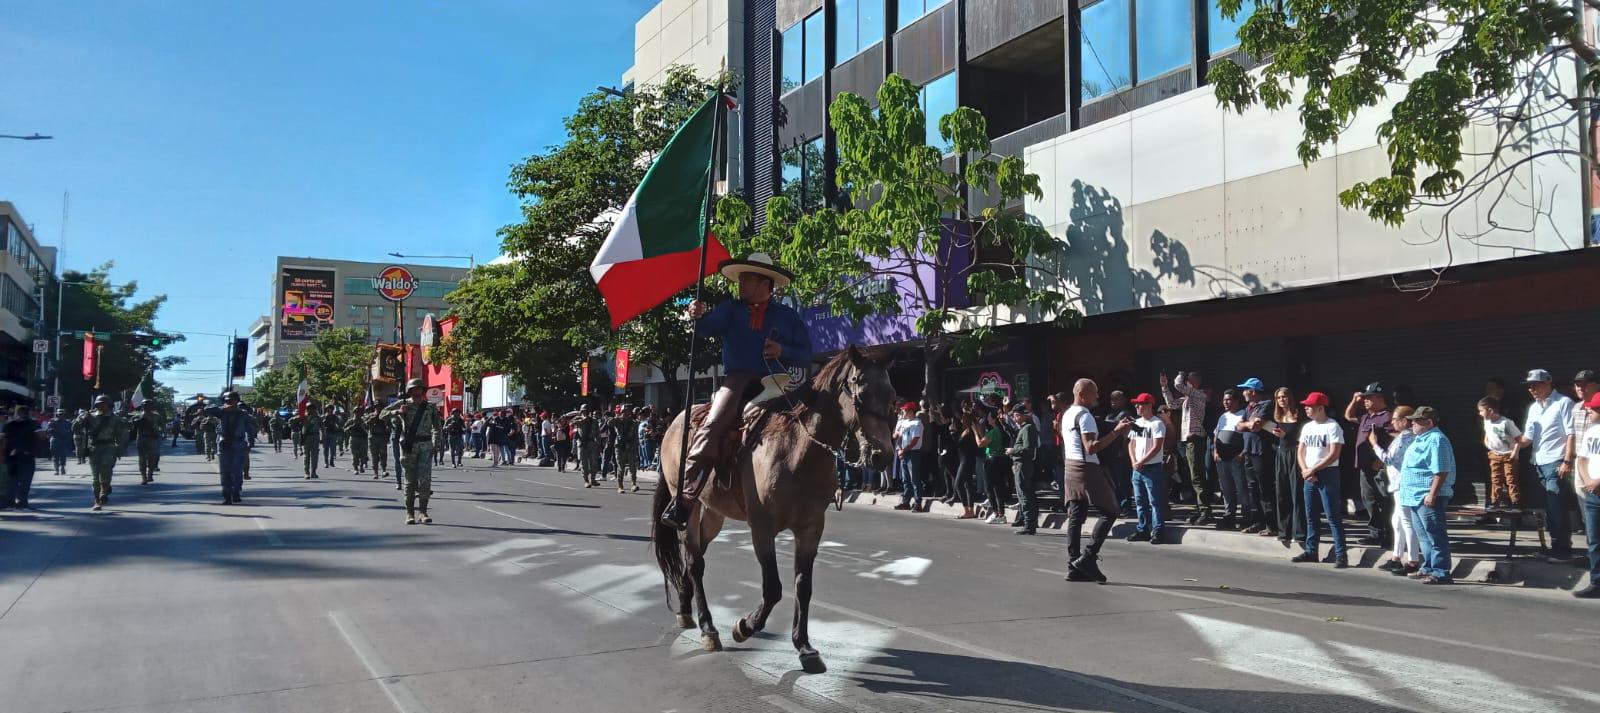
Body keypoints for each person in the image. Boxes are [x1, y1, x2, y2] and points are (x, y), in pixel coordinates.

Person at [659, 252, 812, 530]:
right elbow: (706, 328)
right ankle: (686, 497)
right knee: (713, 426)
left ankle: (818, 487)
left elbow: (805, 354)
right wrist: (696, 315)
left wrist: (783, 350)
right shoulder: (731, 309)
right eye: (741, 279)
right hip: (738, 382)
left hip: (777, 382)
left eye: (747, 279)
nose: (740, 284)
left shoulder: (787, 316)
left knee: (812, 422)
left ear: (764, 283)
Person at [1062, 379, 1133, 583]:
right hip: (1086, 468)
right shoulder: (1085, 416)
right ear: (1082, 395)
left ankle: (1073, 565)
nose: (1098, 397)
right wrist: (1116, 432)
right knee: (1111, 510)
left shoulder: (1068, 414)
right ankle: (1088, 557)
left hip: (1070, 466)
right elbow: (1091, 447)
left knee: (1076, 515)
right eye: (1094, 393)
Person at [1519, 368, 1576, 562]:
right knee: (1548, 508)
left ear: (1548, 384)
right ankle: (1555, 546)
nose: (1531, 389)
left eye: (1535, 385)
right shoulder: (1533, 408)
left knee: (1557, 506)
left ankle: (1564, 550)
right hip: (1538, 462)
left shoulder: (1563, 403)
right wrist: (1508, 440)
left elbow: (1571, 434)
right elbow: (1527, 438)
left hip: (1556, 461)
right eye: (1529, 386)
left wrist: (1567, 460)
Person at [1398, 406, 1457, 584]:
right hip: (1414, 496)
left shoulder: (1437, 439)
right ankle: (1428, 568)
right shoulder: (1419, 439)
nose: (1412, 424)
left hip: (1427, 495)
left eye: (1417, 421)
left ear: (1429, 422)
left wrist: (1432, 494)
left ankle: (1441, 572)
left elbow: (1441, 470)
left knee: (1435, 535)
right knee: (1423, 536)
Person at [1293, 392, 1348, 568]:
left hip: (1327, 473)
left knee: (1332, 515)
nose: (1306, 409)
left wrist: (1314, 469)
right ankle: (1311, 551)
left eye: (1310, 406)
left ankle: (1341, 554)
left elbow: (1334, 454)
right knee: (1311, 515)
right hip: (1309, 475)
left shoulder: (1333, 426)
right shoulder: (1307, 427)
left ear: (1321, 408)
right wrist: (1305, 470)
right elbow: (1301, 451)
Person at [383, 378, 446, 525]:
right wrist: (398, 412)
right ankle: (409, 513)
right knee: (410, 481)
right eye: (414, 389)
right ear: (410, 391)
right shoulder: (403, 404)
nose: (417, 391)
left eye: (419, 388)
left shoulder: (429, 407)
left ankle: (423, 512)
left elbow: (437, 427)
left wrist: (436, 443)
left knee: (425, 481)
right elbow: (382, 414)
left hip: (425, 446)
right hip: (409, 446)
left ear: (423, 390)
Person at [1344, 382, 1395, 548]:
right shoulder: (1366, 417)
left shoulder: (1388, 417)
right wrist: (1354, 401)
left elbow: (1396, 440)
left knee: (1385, 501)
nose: (1365, 401)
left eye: (1369, 398)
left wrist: (1381, 460)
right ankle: (1375, 533)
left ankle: (1389, 535)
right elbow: (1348, 416)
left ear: (1380, 398)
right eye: (1364, 398)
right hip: (1364, 467)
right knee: (1369, 500)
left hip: (1380, 467)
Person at [1161, 371, 1214, 524]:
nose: (1186, 384)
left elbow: (1178, 385)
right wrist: (1164, 387)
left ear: (1193, 382)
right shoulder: (1187, 399)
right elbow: (1171, 404)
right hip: (1188, 441)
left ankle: (1205, 510)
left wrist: (1180, 375)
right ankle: (1200, 508)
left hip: (1195, 440)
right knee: (1193, 476)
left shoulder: (1199, 395)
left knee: (1197, 476)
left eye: (1188, 382)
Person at [1374, 406, 1420, 575]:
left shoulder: (1405, 438)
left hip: (1402, 483)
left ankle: (1413, 560)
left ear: (1404, 420)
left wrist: (1374, 444)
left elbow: (1388, 458)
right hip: (1399, 483)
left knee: (1406, 521)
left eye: (1394, 419)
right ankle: (1396, 557)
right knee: (1397, 521)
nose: (1392, 422)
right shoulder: (1406, 437)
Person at [1125, 393, 1169, 544]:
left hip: (1152, 468)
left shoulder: (1157, 424)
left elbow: (1157, 447)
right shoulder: (1137, 423)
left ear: (1149, 405)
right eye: (1136, 404)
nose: (1137, 407)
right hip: (1137, 468)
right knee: (1139, 501)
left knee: (1154, 501)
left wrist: (1141, 461)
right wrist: (1134, 461)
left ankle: (1158, 531)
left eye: (1140, 404)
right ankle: (1142, 529)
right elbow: (1131, 444)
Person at [1237, 378, 1277, 536]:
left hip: (1262, 452)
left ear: (1253, 391)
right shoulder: (1249, 408)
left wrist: (1248, 424)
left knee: (1265, 488)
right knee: (1252, 488)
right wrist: (1248, 424)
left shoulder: (1266, 404)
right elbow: (1238, 426)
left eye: (1245, 390)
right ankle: (1257, 521)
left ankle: (1271, 524)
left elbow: (1256, 427)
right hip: (1249, 451)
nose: (1243, 393)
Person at [1572, 391, 1600, 598]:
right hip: (1592, 494)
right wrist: (1588, 480)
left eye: (1593, 408)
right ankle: (1596, 582)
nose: (1588, 411)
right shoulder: (1591, 431)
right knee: (1594, 540)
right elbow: (1582, 459)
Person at [204, 391, 255, 505]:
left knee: (237, 470)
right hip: (224, 443)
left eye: (232, 401)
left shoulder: (243, 414)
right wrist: (222, 408)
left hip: (238, 443)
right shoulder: (221, 412)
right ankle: (227, 495)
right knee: (225, 471)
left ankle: (236, 492)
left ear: (237, 401)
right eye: (227, 401)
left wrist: (250, 442)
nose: (230, 403)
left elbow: (250, 429)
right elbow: (206, 410)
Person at [1212, 389, 1250, 530]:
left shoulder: (1244, 414)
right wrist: (1215, 451)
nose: (1225, 402)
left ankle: (1246, 517)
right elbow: (1216, 434)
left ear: (1236, 401)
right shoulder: (1223, 416)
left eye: (1228, 400)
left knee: (1241, 489)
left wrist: (1242, 454)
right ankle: (1229, 516)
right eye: (1224, 400)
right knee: (1226, 489)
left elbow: (1247, 436)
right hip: (1222, 459)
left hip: (1236, 459)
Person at [83, 395, 128, 511]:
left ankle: (104, 492)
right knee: (95, 477)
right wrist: (82, 418)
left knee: (106, 470)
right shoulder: (91, 416)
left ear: (109, 405)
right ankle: (97, 500)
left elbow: (120, 435)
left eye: (104, 404)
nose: (101, 406)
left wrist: (119, 450)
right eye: (99, 404)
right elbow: (76, 427)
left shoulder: (115, 419)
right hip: (94, 448)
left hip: (109, 447)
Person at [1478, 397, 1522, 510]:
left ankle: (1515, 502)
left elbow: (1518, 438)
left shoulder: (1506, 422)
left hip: (1508, 455)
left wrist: (1515, 452)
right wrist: (1486, 442)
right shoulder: (1486, 422)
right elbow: (1487, 433)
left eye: (1481, 411)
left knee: (1511, 479)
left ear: (1490, 410)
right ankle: (1495, 502)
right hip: (1494, 455)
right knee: (1495, 479)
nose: (1480, 413)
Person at [1006, 404, 1041, 535]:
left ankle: (1029, 525)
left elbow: (1027, 449)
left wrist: (1013, 450)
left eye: (1016, 416)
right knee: (1025, 494)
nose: (1015, 418)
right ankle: (1029, 523)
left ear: (1022, 415)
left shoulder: (1027, 428)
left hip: (1023, 465)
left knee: (1024, 495)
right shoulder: (1025, 428)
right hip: (1020, 465)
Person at [1, 405, 43, 509]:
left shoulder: (9, 424)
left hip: (11, 455)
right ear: (28, 412)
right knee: (26, 480)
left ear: (17, 413)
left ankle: (10, 501)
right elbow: (41, 435)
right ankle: (22, 501)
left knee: (12, 479)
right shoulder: (33, 423)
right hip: (27, 455)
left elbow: (2, 439)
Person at [894, 403, 926, 512]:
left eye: (905, 411)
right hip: (904, 452)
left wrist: (904, 450)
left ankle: (918, 503)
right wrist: (900, 448)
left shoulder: (917, 423)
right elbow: (899, 436)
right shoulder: (904, 422)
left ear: (911, 411)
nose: (903, 412)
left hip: (913, 452)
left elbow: (914, 440)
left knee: (914, 479)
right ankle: (905, 502)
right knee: (905, 479)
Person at [132, 404, 164, 485]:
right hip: (141, 439)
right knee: (142, 459)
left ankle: (150, 474)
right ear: (142, 406)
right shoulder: (138, 415)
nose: (147, 407)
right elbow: (132, 425)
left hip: (152, 439)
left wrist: (160, 432)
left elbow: (162, 425)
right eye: (145, 406)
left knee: (152, 458)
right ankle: (144, 477)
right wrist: (138, 420)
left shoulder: (156, 416)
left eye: (149, 405)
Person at [613, 407, 640, 492]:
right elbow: (609, 423)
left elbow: (635, 435)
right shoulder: (617, 421)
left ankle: (633, 484)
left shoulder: (633, 422)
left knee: (632, 466)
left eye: (627, 411)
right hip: (620, 446)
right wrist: (617, 416)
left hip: (631, 446)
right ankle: (620, 486)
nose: (626, 413)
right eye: (624, 411)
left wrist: (636, 446)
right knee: (621, 467)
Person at [364, 405, 392, 481]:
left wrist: (387, 427)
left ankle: (384, 470)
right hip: (373, 437)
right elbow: (364, 425)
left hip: (382, 437)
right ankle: (375, 473)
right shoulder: (370, 415)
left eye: (379, 407)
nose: (378, 408)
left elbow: (390, 426)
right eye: (376, 407)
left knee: (383, 454)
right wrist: (370, 420)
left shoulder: (385, 416)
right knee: (374, 456)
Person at [46, 408, 73, 476]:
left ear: (64, 415)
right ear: (57, 415)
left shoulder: (68, 423)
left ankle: (62, 467)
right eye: (59, 414)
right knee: (55, 456)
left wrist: (68, 439)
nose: (61, 415)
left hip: (63, 441)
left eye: (62, 414)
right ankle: (56, 469)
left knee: (63, 456)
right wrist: (51, 428)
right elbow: (48, 431)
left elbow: (71, 432)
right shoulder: (53, 422)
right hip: (55, 440)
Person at [299, 403, 322, 479]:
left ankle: (313, 472)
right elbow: (293, 423)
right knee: (306, 456)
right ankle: (306, 472)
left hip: (315, 437)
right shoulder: (304, 417)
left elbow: (322, 427)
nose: (311, 410)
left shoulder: (318, 418)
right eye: (309, 409)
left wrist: (323, 437)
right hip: (307, 438)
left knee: (315, 456)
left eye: (313, 408)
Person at [320, 404, 341, 470]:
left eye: (331, 409)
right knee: (325, 449)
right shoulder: (323, 417)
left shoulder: (335, 417)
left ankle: (331, 460)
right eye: (328, 408)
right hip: (325, 433)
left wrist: (337, 426)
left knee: (333, 448)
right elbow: (320, 426)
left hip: (333, 433)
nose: (330, 410)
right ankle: (326, 462)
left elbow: (339, 423)